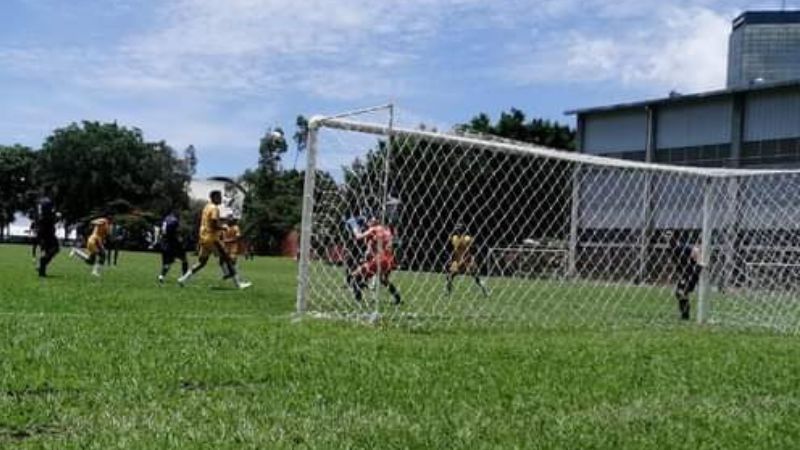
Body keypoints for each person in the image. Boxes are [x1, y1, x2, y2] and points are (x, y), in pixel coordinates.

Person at [177, 191, 251, 289]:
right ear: (214, 197)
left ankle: (183, 279)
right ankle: (238, 284)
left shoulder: (207, 207)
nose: (221, 199)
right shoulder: (214, 208)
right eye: (219, 197)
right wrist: (223, 227)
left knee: (202, 262)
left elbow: (210, 222)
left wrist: (221, 223)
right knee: (227, 259)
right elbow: (214, 224)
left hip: (203, 237)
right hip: (212, 238)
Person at [349, 216, 401, 305]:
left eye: (370, 220)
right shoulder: (386, 229)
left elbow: (358, 236)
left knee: (354, 277)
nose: (368, 222)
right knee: (383, 279)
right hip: (389, 260)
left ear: (376, 221)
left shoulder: (374, 229)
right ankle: (397, 297)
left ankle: (358, 300)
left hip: (379, 260)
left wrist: (353, 224)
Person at [446, 223, 488, 296]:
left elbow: (473, 250)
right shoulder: (454, 238)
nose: (457, 231)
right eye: (456, 229)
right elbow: (451, 249)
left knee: (476, 278)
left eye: (459, 229)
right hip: (457, 260)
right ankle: (448, 293)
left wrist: (471, 259)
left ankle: (485, 292)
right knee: (450, 276)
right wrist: (451, 259)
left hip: (467, 260)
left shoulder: (467, 238)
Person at [669, 230, 703, 321]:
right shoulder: (674, 250)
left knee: (681, 291)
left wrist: (699, 263)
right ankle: (685, 315)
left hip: (692, 272)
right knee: (681, 292)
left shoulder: (680, 247)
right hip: (687, 273)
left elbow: (695, 251)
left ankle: (685, 315)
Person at [158, 211, 189, 284]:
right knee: (184, 259)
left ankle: (161, 276)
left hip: (164, 242)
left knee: (168, 262)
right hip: (172, 243)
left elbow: (162, 230)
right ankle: (184, 277)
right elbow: (176, 233)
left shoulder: (166, 218)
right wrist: (180, 240)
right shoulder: (174, 221)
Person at [35, 197, 60, 277]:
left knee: (51, 251)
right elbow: (52, 219)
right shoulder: (46, 216)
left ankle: (42, 268)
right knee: (54, 249)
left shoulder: (42, 214)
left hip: (45, 235)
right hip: (48, 235)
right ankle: (42, 265)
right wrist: (57, 216)